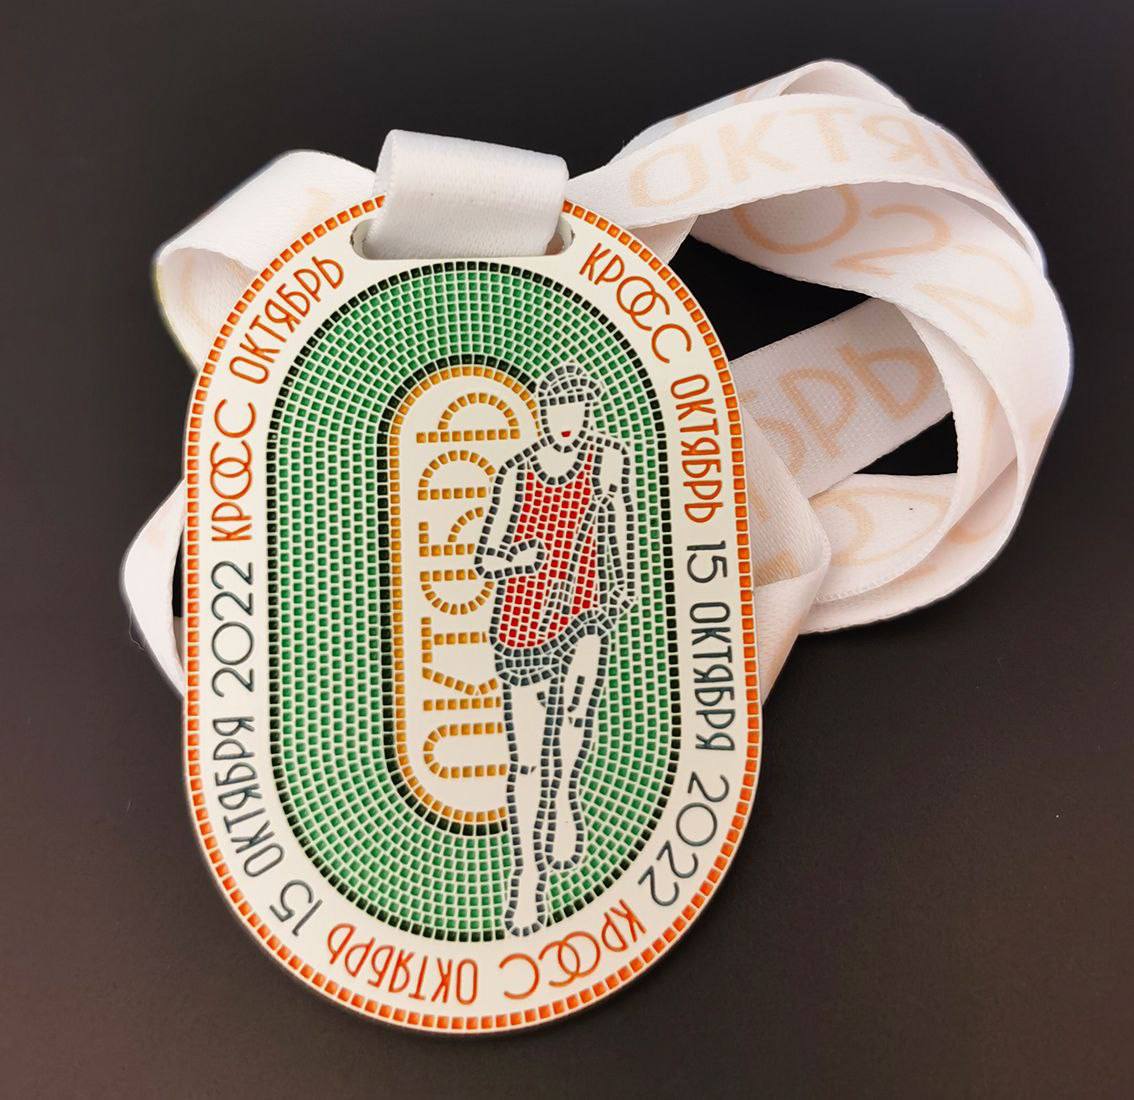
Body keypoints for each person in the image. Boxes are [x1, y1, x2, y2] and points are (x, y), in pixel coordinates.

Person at [475, 363, 637, 935]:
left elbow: (618, 520)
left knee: (572, 716)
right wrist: (517, 560)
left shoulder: (606, 458)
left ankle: (565, 794)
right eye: (557, 407)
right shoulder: (517, 473)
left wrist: (622, 580)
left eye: (577, 406)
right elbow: (484, 558)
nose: (567, 418)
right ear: (544, 412)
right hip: (523, 617)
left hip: (585, 604)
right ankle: (525, 877)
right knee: (525, 757)